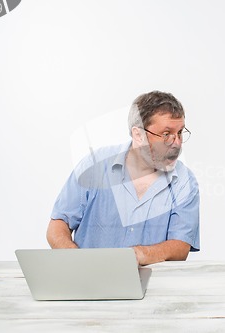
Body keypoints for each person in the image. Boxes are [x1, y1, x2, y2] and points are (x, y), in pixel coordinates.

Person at [47, 91, 200, 266]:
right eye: (166, 134)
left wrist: (138, 255)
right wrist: (79, 263)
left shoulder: (185, 181)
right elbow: (58, 225)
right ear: (138, 135)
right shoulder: (94, 166)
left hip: (154, 288)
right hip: (88, 286)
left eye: (180, 132)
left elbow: (180, 247)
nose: (177, 143)